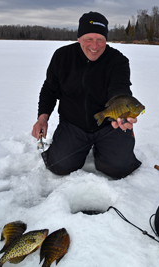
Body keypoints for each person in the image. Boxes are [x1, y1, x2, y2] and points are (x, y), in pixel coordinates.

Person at [32, 11, 141, 179]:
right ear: (79, 39)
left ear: (106, 40)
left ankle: (107, 146)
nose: (95, 46)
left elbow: (120, 87)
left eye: (100, 40)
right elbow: (49, 89)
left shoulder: (118, 61)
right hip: (73, 124)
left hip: (108, 125)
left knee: (119, 168)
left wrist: (121, 115)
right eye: (89, 39)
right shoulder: (62, 57)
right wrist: (43, 117)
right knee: (59, 166)